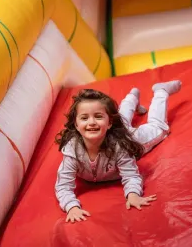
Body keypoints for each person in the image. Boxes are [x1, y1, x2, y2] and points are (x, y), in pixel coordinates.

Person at [54, 80, 182, 223]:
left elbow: (131, 175)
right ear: (76, 125)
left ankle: (161, 91)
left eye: (98, 116)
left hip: (126, 137)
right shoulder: (73, 151)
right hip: (111, 130)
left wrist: (133, 194)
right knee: (120, 119)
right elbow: (63, 186)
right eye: (84, 118)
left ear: (109, 123)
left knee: (159, 129)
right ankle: (132, 97)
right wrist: (71, 207)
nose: (91, 122)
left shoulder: (120, 146)